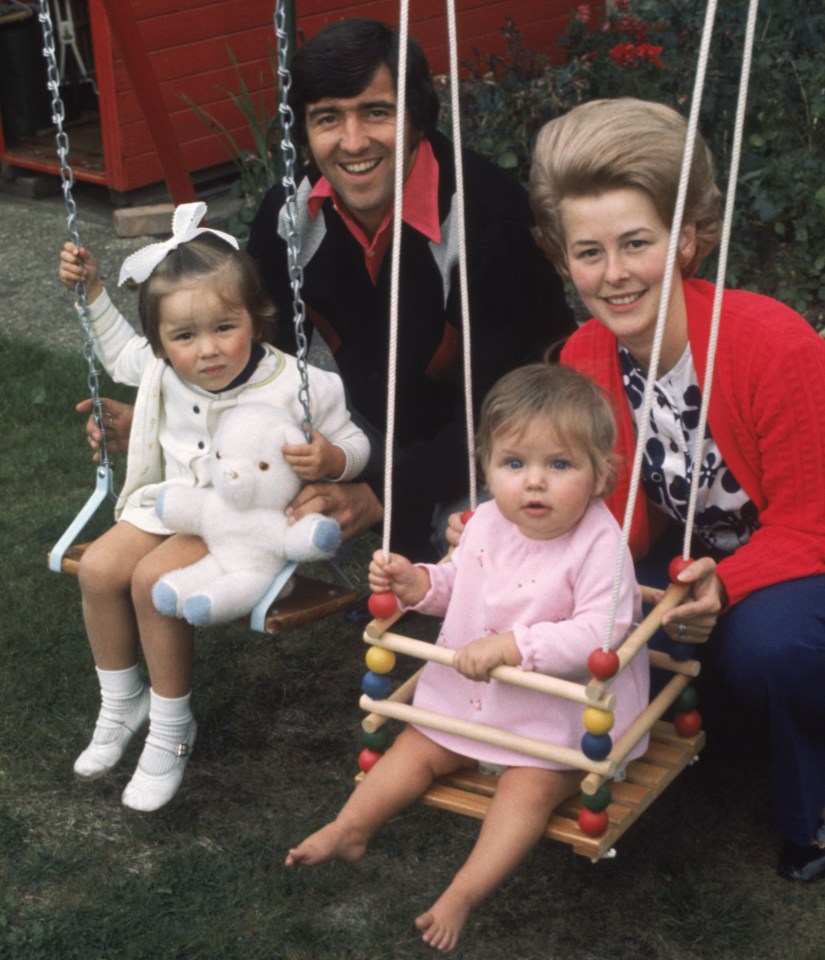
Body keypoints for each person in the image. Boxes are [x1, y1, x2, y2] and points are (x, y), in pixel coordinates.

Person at [85, 18, 575, 563]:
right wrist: (168, 418)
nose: (353, 141)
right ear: (306, 133)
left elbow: (509, 411)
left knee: (475, 546)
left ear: (415, 117)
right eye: (327, 118)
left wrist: (381, 495)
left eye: (376, 112)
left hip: (511, 437)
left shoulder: (487, 218)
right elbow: (254, 361)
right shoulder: (288, 215)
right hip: (370, 428)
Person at [524, 97, 825, 882]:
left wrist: (723, 585)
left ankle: (810, 804)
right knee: (603, 623)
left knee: (768, 648)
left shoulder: (771, 343)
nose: (612, 274)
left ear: (685, 240)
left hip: (799, 551)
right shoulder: (584, 356)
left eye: (635, 244)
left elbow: (809, 520)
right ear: (562, 261)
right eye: (588, 252)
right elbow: (613, 520)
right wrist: (511, 532)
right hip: (697, 559)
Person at [285, 363, 649, 952]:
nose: (534, 483)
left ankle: (464, 891)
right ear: (487, 468)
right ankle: (351, 827)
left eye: (560, 465)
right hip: (474, 695)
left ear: (601, 473)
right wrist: (417, 583)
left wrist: (513, 647)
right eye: (514, 464)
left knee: (527, 790)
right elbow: (462, 582)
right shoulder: (486, 522)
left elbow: (596, 636)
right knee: (415, 749)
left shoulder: (601, 545)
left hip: (554, 716)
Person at [57, 202, 370, 812]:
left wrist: (332, 460)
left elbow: (357, 444)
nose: (206, 351)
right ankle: (123, 703)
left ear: (256, 317)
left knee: (152, 580)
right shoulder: (161, 368)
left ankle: (172, 727)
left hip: (241, 525)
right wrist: (93, 290)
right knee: (98, 568)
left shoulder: (298, 384)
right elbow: (119, 350)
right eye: (183, 336)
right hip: (170, 504)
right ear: (162, 342)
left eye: (224, 327)